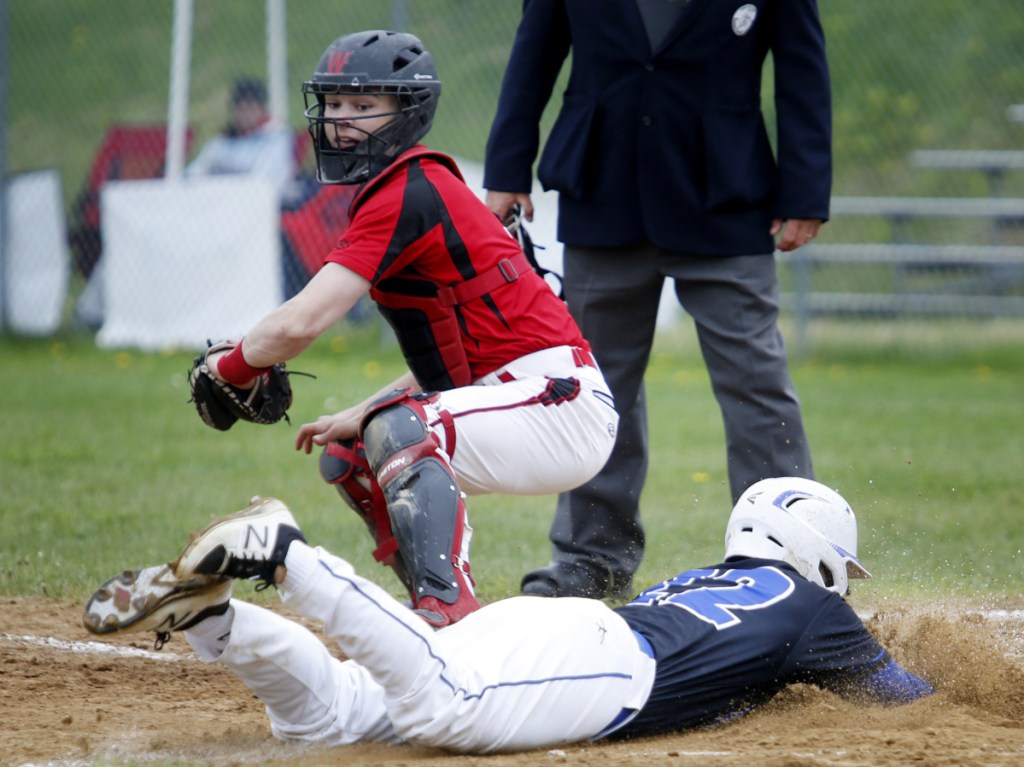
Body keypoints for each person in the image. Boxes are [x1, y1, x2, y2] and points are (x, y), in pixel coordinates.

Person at [190, 30, 619, 628]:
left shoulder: (408, 190)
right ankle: (439, 606)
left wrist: (232, 366)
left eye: (364, 107)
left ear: (406, 113)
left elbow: (304, 320)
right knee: (350, 453)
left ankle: (447, 608)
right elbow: (448, 358)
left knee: (397, 433)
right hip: (513, 395)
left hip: (561, 404)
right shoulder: (402, 189)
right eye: (335, 105)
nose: (342, 121)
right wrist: (364, 409)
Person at [83, 477, 934, 754]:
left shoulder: (705, 578)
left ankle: (214, 619)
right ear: (818, 549)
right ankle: (288, 554)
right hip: (609, 670)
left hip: (568, 631)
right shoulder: (814, 605)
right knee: (438, 704)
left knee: (334, 719)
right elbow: (906, 698)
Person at [483, 0, 831, 600]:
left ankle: (789, 558)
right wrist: (508, 166)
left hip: (727, 196)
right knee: (598, 387)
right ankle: (592, 562)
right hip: (603, 188)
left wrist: (806, 189)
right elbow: (533, 54)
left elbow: (803, 69)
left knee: (756, 381)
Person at [186, 77, 296, 197]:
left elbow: (266, 180)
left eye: (250, 107)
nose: (245, 114)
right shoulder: (222, 141)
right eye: (241, 108)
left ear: (262, 109)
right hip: (216, 199)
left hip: (261, 203)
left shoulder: (275, 136)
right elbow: (194, 172)